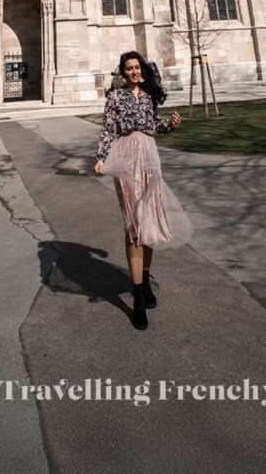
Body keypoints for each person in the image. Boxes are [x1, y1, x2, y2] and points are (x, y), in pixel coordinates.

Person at [94, 50, 182, 330]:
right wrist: (101, 157)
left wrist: (170, 125)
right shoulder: (115, 97)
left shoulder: (147, 96)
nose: (133, 71)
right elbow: (108, 130)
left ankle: (144, 282)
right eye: (128, 68)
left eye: (136, 67)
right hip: (127, 158)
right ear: (122, 71)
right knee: (134, 226)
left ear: (141, 70)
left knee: (150, 221)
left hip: (150, 157)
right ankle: (137, 299)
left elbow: (153, 125)